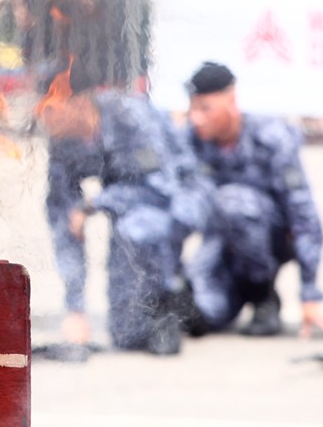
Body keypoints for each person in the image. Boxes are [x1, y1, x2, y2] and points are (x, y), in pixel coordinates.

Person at [39, 61, 209, 356]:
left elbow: (159, 191)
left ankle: (167, 300)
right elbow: (64, 224)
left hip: (181, 195)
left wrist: (94, 203)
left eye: (51, 109)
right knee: (126, 336)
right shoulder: (62, 141)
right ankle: (169, 302)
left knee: (134, 227)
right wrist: (75, 309)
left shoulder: (129, 117)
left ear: (80, 103)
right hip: (132, 201)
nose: (43, 119)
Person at [182, 62, 323, 337]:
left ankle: (263, 296)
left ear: (231, 101)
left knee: (231, 202)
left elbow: (304, 216)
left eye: (205, 109)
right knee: (200, 315)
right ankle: (236, 294)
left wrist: (310, 295)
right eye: (192, 109)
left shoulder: (271, 137)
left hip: (274, 242)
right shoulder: (190, 140)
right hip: (221, 243)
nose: (196, 118)